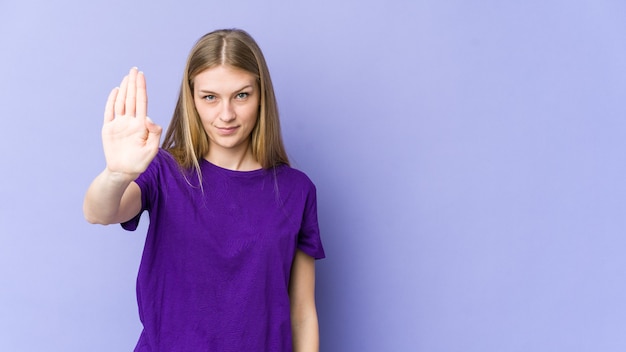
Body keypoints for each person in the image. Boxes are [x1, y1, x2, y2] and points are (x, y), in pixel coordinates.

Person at [83, 28, 325, 352]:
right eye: (210, 97)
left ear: (261, 95)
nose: (226, 114)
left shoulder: (297, 191)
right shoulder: (164, 170)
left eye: (241, 95)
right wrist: (117, 174)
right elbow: (99, 212)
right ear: (192, 98)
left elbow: (302, 314)